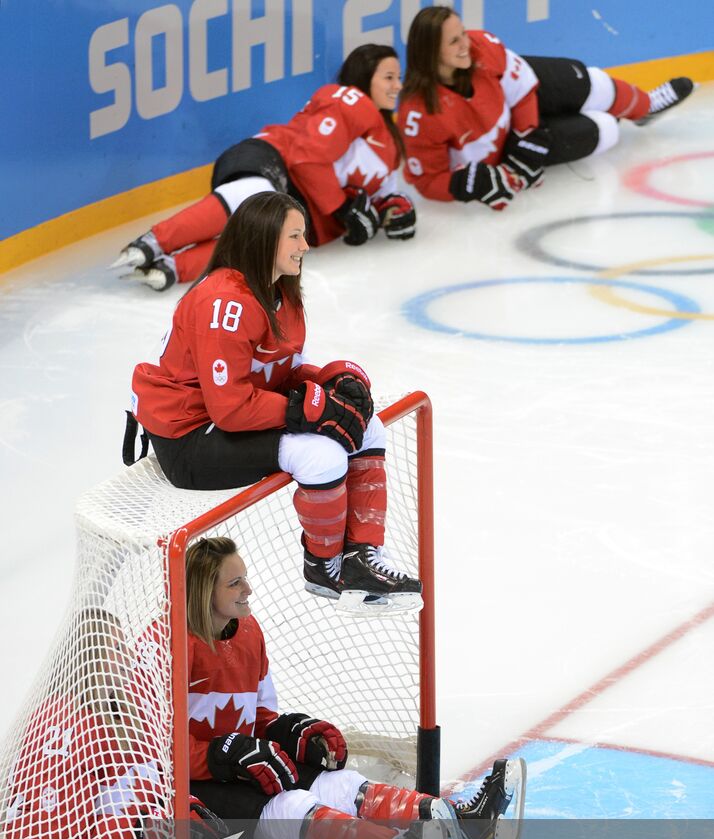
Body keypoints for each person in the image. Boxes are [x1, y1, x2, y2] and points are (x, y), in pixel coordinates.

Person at [168, 536, 527, 839]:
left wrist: (294, 732)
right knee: (290, 806)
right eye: (234, 583)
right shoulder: (174, 647)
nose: (248, 589)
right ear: (204, 591)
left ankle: (471, 821)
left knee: (339, 783)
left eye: (245, 578)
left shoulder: (248, 631)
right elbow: (157, 748)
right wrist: (221, 756)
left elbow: (260, 718)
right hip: (196, 788)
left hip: (244, 766)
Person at [4, 607, 396, 839]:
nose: (126, 657)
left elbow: (145, 786)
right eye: (113, 648)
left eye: (123, 645)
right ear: (85, 659)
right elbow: (48, 827)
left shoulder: (122, 712)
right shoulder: (57, 724)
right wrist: (152, 829)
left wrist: (182, 812)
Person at [129, 190, 421, 614]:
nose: (306, 246)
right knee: (320, 455)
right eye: (295, 237)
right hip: (189, 437)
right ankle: (325, 568)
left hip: (222, 419)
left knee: (366, 424)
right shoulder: (224, 303)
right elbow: (229, 408)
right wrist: (309, 409)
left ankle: (362, 557)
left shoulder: (281, 294)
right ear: (264, 239)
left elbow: (281, 374)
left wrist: (327, 382)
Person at [112, 44, 416, 291]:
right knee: (256, 197)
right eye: (388, 77)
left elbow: (386, 195)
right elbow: (306, 158)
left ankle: (170, 269)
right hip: (272, 162)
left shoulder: (388, 143)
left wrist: (395, 212)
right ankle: (155, 242)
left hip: (302, 204)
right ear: (363, 78)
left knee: (262, 247)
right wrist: (342, 208)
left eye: (398, 77)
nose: (398, 86)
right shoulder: (352, 101)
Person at [397, 5, 695, 209]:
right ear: (431, 51)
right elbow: (426, 180)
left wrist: (529, 135)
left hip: (519, 102)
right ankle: (613, 118)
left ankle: (645, 108)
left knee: (596, 84)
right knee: (605, 129)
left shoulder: (482, 48)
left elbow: (524, 88)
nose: (465, 43)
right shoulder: (419, 113)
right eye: (453, 41)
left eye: (462, 32)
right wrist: (474, 183)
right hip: (502, 147)